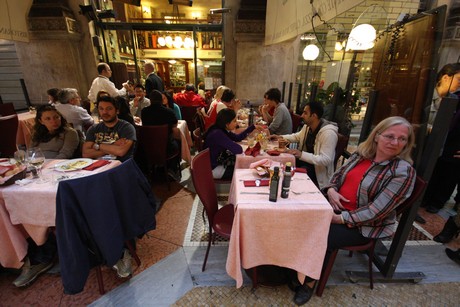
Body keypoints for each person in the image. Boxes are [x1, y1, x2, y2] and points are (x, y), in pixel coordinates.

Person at [291, 116, 416, 305]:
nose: (395, 142)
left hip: (363, 226)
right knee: (296, 213)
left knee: (321, 234)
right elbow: (337, 176)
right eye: (390, 136)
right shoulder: (361, 155)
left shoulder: (402, 172)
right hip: (333, 207)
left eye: (402, 139)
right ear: (377, 136)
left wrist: (338, 219)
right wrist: (332, 190)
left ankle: (308, 282)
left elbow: (376, 211)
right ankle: (294, 267)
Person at [421, 63, 460, 214]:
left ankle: (429, 202)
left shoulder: (453, 101)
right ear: (445, 77)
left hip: (439, 151)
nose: (459, 84)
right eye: (458, 79)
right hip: (421, 149)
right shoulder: (425, 97)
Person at [273, 101, 338, 189]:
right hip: (305, 163)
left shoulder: (328, 134)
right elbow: (297, 136)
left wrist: (301, 154)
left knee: (288, 173)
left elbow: (326, 160)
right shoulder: (308, 127)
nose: (302, 115)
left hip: (317, 172)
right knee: (281, 163)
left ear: (314, 116)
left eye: (305, 113)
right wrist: (279, 137)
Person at [203, 108, 259, 180]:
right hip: (214, 169)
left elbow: (237, 138)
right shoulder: (218, 134)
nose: (237, 123)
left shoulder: (221, 129)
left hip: (217, 162)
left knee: (245, 165)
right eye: (234, 121)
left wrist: (253, 127)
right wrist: (230, 143)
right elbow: (238, 149)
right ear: (227, 124)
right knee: (248, 170)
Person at [82, 95, 136, 162]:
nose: (104, 112)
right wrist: (113, 146)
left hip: (121, 166)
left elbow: (120, 151)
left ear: (117, 111)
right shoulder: (93, 129)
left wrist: (96, 146)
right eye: (101, 109)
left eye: (109, 109)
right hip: (97, 166)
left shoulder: (126, 128)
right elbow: (86, 154)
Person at [141, 90, 181, 178]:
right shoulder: (169, 112)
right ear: (161, 100)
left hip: (149, 146)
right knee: (178, 140)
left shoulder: (144, 112)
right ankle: (172, 169)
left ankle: (153, 169)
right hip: (167, 146)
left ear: (150, 100)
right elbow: (175, 124)